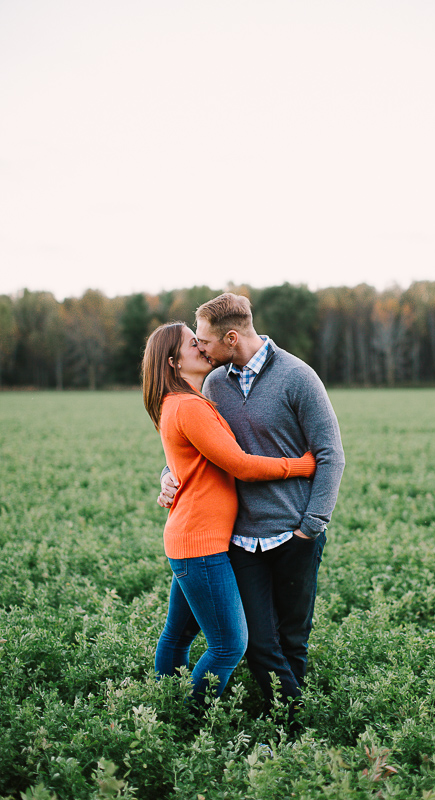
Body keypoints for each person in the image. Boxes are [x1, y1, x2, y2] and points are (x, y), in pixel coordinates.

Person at [159, 294, 345, 719]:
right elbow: (201, 447)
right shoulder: (214, 383)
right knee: (259, 642)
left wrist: (311, 526)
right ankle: (292, 714)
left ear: (230, 337)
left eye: (204, 340)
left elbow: (331, 455)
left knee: (293, 635)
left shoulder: (298, 377)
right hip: (241, 538)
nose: (200, 348)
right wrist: (168, 475)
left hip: (295, 531)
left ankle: (284, 720)